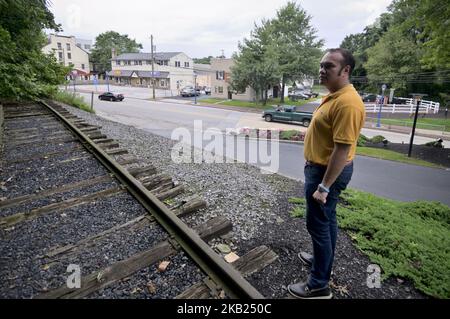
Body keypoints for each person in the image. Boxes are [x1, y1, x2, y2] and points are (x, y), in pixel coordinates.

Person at [287, 48, 366, 299]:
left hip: (326, 172)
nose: (322, 70)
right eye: (321, 65)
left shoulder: (348, 103)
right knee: (327, 220)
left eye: (329, 66)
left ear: (345, 70)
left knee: (318, 224)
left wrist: (324, 187)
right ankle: (322, 261)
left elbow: (342, 150)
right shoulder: (335, 96)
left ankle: (319, 284)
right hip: (321, 168)